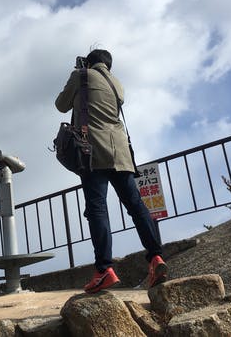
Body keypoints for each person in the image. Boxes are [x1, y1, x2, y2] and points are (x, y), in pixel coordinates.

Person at [55, 49, 167, 293]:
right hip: (122, 153)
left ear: (89, 62)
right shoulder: (117, 84)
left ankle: (104, 269)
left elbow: (61, 105)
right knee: (136, 206)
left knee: (97, 209)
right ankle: (156, 256)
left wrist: (79, 71)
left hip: (93, 152)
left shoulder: (81, 75)